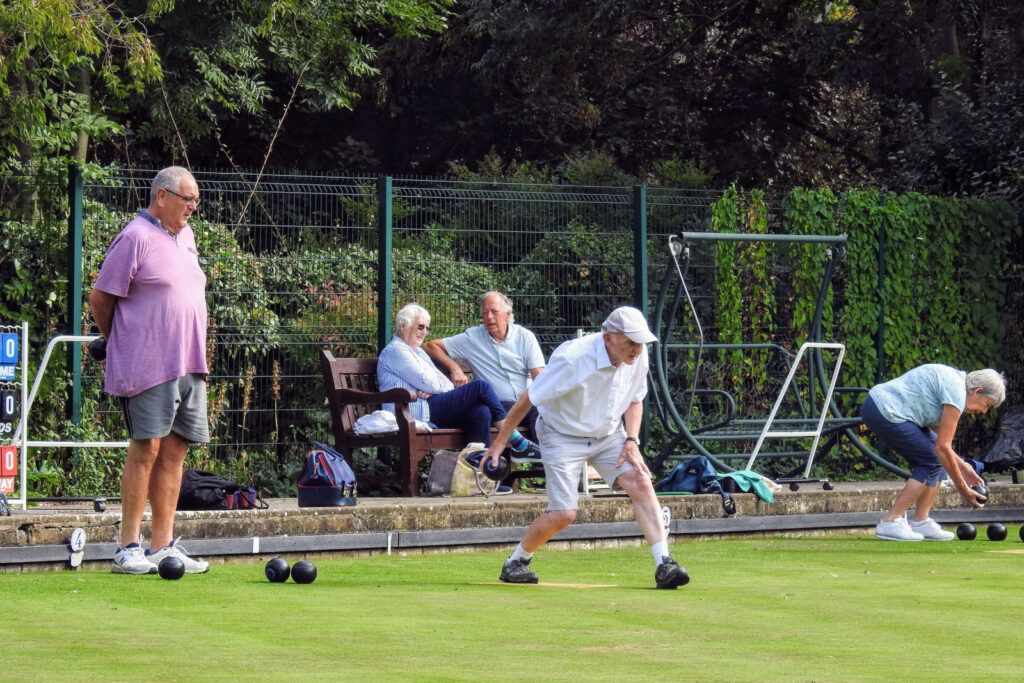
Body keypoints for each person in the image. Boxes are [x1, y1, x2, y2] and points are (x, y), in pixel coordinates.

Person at [480, 306, 690, 589]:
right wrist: (500, 443)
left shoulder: (637, 355)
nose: (637, 349)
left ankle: (664, 563)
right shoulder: (573, 358)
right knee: (564, 514)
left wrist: (631, 440)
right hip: (561, 434)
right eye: (630, 341)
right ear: (608, 338)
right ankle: (517, 561)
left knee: (641, 481)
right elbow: (529, 396)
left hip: (607, 434)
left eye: (640, 342)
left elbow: (635, 399)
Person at [89, 166, 211, 575]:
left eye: (195, 199)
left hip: (190, 363)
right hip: (148, 364)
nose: (193, 206)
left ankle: (163, 547)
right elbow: (101, 299)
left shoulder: (187, 237)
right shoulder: (134, 237)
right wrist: (118, 340)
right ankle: (128, 548)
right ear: (162, 197)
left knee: (176, 452)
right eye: (187, 198)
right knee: (148, 449)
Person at [862, 364, 1006, 541]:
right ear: (977, 391)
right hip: (883, 408)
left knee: (938, 459)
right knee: (931, 460)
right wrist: (963, 488)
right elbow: (942, 448)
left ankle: (920, 521)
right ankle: (891, 521)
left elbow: (942, 444)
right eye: (987, 405)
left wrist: (964, 468)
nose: (984, 411)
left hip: (887, 408)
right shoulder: (956, 394)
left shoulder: (957, 383)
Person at [377, 303, 535, 455]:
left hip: (430, 406)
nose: (424, 332)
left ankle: (477, 471)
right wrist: (433, 387)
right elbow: (431, 382)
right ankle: (516, 440)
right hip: (411, 413)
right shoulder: (396, 350)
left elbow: (444, 384)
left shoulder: (418, 352)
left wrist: (433, 389)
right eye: (420, 326)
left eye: (427, 328)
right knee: (480, 387)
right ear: (403, 326)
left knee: (481, 411)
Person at [423, 291, 543, 459]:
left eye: (494, 312)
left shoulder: (525, 337)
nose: (489, 317)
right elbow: (430, 346)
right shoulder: (473, 338)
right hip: (498, 407)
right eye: (485, 313)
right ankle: (525, 452)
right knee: (483, 408)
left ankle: (550, 464)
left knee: (543, 411)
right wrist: (454, 367)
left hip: (525, 406)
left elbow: (540, 377)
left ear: (507, 314)